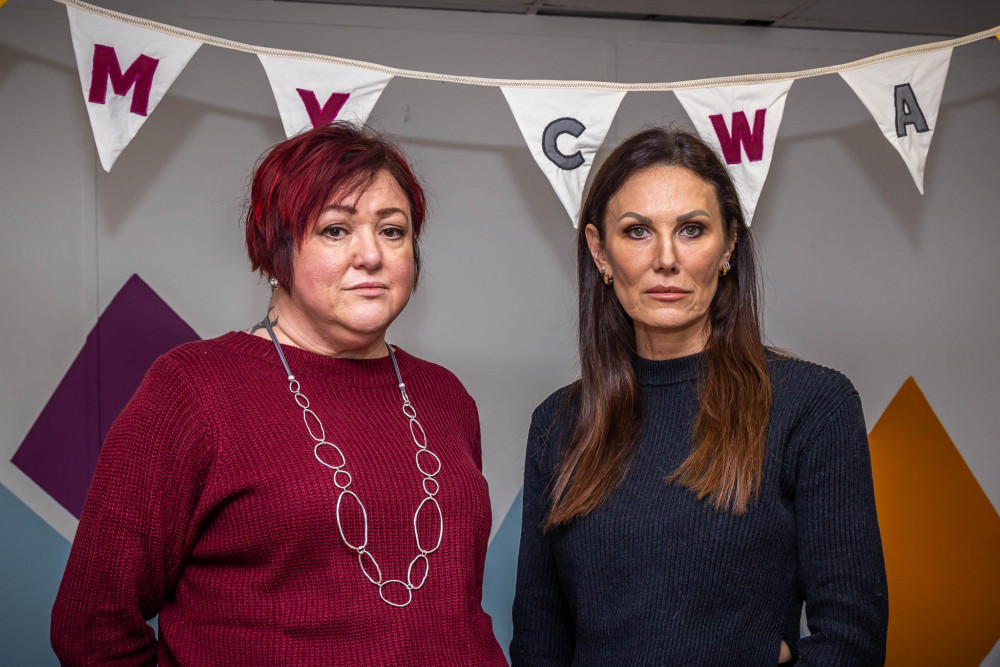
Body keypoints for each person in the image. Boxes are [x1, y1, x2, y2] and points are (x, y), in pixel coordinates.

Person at [51, 123, 507, 665]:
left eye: (392, 231)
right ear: (275, 249)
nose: (371, 256)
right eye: (336, 230)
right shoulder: (194, 389)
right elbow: (91, 626)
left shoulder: (444, 396)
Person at [510, 127, 888, 665]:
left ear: (729, 244)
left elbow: (851, 638)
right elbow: (539, 643)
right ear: (600, 251)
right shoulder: (559, 423)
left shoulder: (814, 406)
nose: (666, 259)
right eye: (637, 232)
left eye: (692, 229)